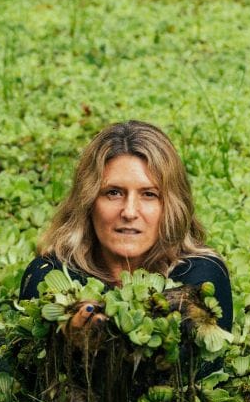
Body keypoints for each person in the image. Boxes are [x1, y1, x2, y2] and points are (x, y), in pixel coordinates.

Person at [20, 119, 232, 338]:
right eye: (113, 192)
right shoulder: (48, 273)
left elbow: (197, 365)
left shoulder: (201, 274)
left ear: (171, 206)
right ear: (88, 202)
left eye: (149, 194)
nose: (129, 212)